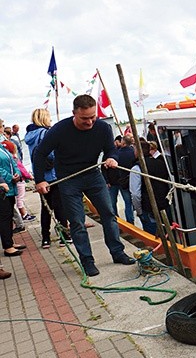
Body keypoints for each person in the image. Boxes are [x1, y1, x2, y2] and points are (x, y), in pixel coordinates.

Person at [32, 94, 135, 277]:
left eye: (92, 117)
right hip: (68, 179)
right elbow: (40, 154)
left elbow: (111, 149)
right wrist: (40, 179)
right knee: (77, 222)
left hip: (94, 176)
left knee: (109, 214)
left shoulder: (103, 127)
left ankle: (117, 252)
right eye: (84, 118)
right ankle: (87, 261)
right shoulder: (58, 130)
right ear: (74, 114)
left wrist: (111, 157)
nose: (89, 122)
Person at [24, 108, 71, 248]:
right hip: (52, 174)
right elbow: (50, 154)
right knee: (59, 206)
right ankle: (65, 235)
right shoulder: (45, 133)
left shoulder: (29, 135)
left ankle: (46, 238)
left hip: (40, 176)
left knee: (46, 207)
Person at [130, 141, 171, 235]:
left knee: (153, 236)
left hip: (149, 208)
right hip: (164, 204)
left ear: (137, 151)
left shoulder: (137, 168)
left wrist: (139, 211)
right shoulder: (161, 163)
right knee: (167, 233)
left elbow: (135, 194)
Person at [0, 139, 26, 257]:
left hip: (11, 187)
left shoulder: (3, 148)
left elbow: (14, 162)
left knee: (9, 215)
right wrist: (10, 177)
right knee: (4, 216)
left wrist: (17, 174)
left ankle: (10, 241)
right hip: (3, 189)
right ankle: (7, 246)